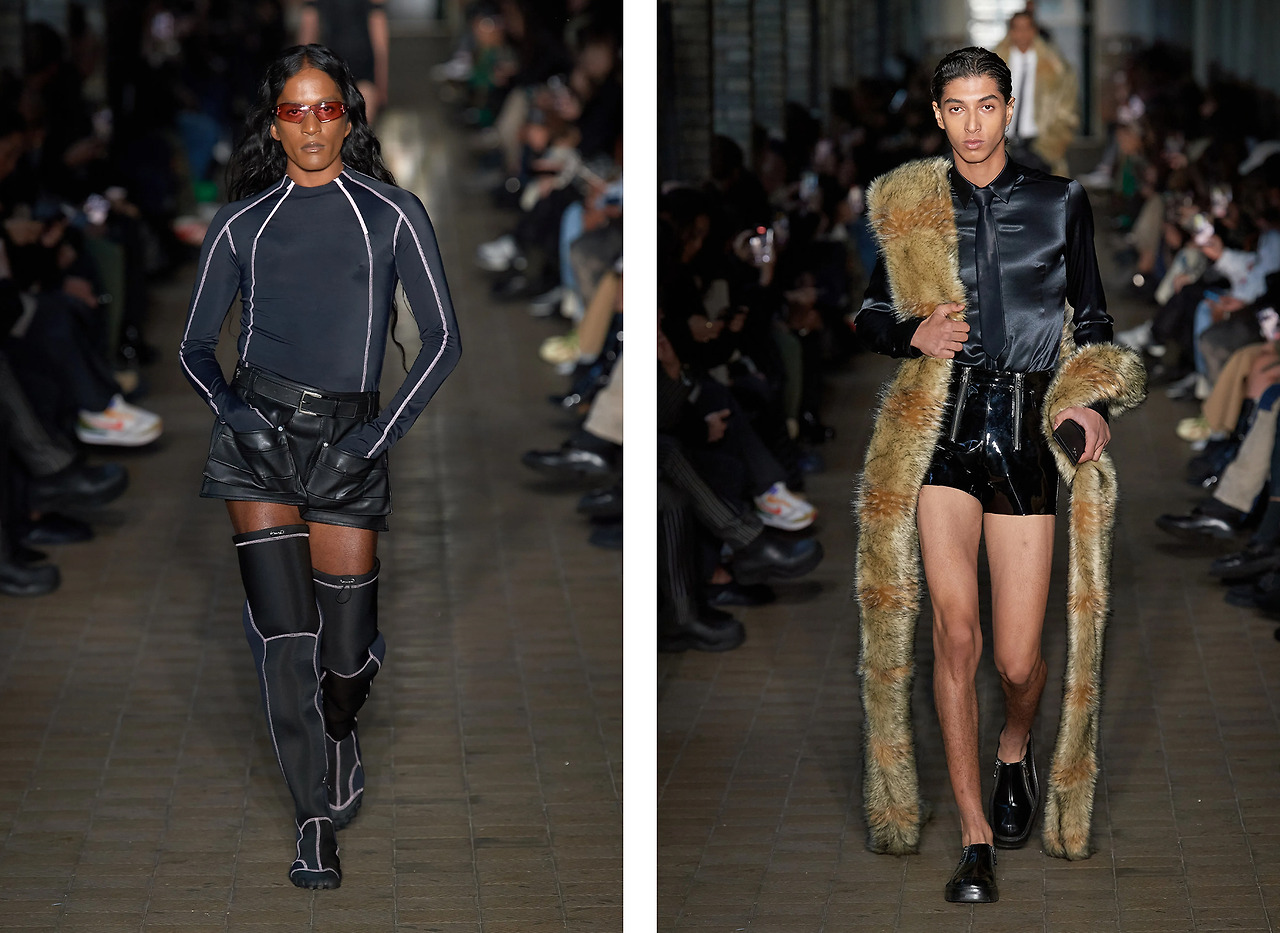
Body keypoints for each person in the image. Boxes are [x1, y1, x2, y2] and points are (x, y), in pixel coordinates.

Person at [853, 47, 1144, 903]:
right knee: (957, 636)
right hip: (940, 434)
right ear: (937, 115)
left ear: (1009, 109)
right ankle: (975, 836)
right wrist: (909, 334)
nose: (972, 123)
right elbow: (868, 312)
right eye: (957, 107)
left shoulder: (1060, 202)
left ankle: (1014, 746)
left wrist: (1088, 398)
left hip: (1025, 435)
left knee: (1018, 661)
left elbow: (1094, 320)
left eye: (987, 105)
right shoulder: (909, 203)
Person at [178, 45, 461, 889]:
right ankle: (311, 823)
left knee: (344, 655)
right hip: (256, 440)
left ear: (349, 118)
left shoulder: (393, 213)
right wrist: (236, 417)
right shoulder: (242, 224)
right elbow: (194, 347)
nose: (311, 125)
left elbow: (443, 342)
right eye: (295, 111)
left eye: (326, 108)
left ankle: (340, 724)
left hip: (349, 440)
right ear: (274, 125)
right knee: (288, 641)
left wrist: (371, 442)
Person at [994, 9, 1079, 176]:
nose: (1022, 33)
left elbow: (1067, 108)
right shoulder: (995, 63)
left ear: (1034, 31)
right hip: (1002, 145)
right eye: (1017, 28)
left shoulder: (1055, 66)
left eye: (1026, 28)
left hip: (1041, 146)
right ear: (1010, 31)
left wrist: (1051, 146)